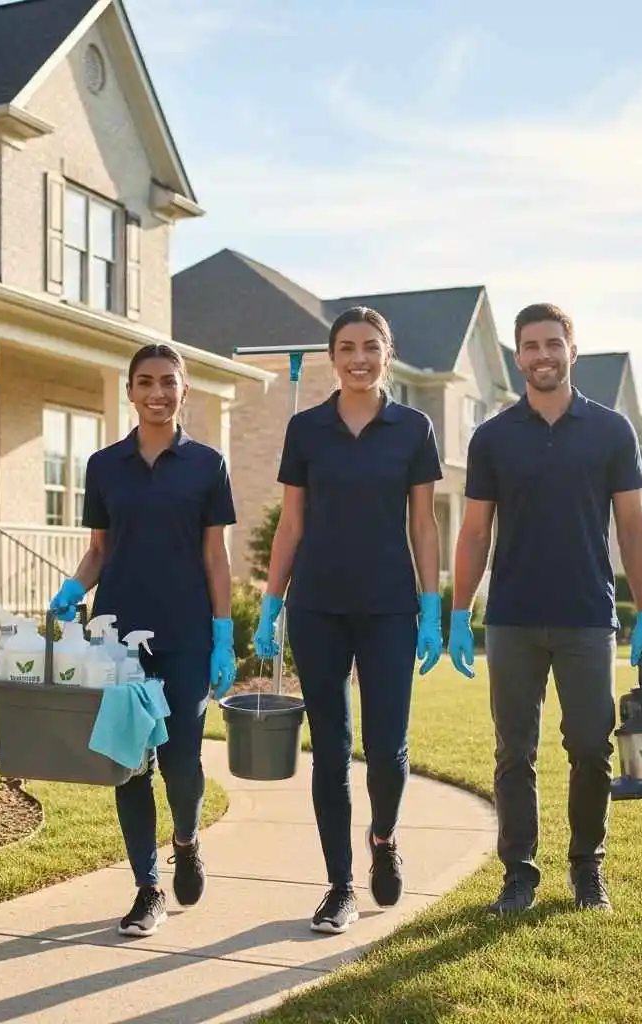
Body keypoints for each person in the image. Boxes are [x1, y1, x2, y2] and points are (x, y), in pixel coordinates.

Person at [448, 302, 642, 916]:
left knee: (591, 745)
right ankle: (518, 874)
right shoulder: (492, 437)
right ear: (518, 357)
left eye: (552, 343)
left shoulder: (611, 431)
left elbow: (633, 525)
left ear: (572, 347)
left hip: (587, 617)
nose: (542, 355)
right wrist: (461, 613)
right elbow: (474, 533)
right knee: (514, 752)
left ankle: (587, 867)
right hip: (512, 618)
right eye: (530, 346)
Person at [253, 306, 444, 935]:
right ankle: (339, 886)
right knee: (330, 753)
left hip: (390, 608)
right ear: (332, 357)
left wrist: (433, 604)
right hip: (318, 608)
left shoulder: (413, 427)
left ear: (387, 353)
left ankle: (384, 838)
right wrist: (272, 602)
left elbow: (423, 522)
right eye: (346, 348)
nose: (358, 358)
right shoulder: (306, 429)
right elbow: (293, 522)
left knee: (387, 750)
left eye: (370, 347)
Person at [49, 342, 238, 938]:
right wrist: (70, 589)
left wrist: (223, 631)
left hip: (185, 632)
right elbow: (100, 551)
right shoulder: (104, 466)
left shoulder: (207, 465)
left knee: (182, 762)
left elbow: (215, 555)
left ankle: (186, 838)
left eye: (169, 382)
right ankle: (147, 886)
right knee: (130, 764)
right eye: (146, 382)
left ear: (185, 391)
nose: (157, 392)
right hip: (119, 637)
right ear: (129, 391)